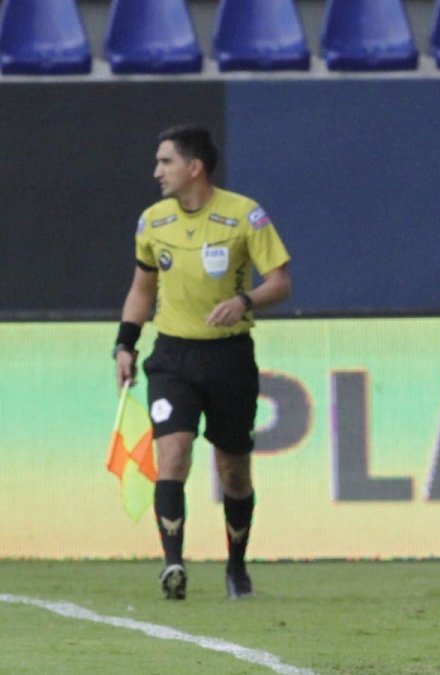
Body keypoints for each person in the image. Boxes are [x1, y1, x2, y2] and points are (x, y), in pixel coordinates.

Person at [113, 125, 292, 600]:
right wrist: (125, 344)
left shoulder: (244, 215)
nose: (157, 172)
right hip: (172, 355)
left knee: (233, 470)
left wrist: (245, 301)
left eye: (165, 162)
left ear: (195, 168)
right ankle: (173, 566)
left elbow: (280, 282)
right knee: (172, 453)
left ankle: (236, 567)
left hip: (229, 356)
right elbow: (142, 288)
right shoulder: (152, 221)